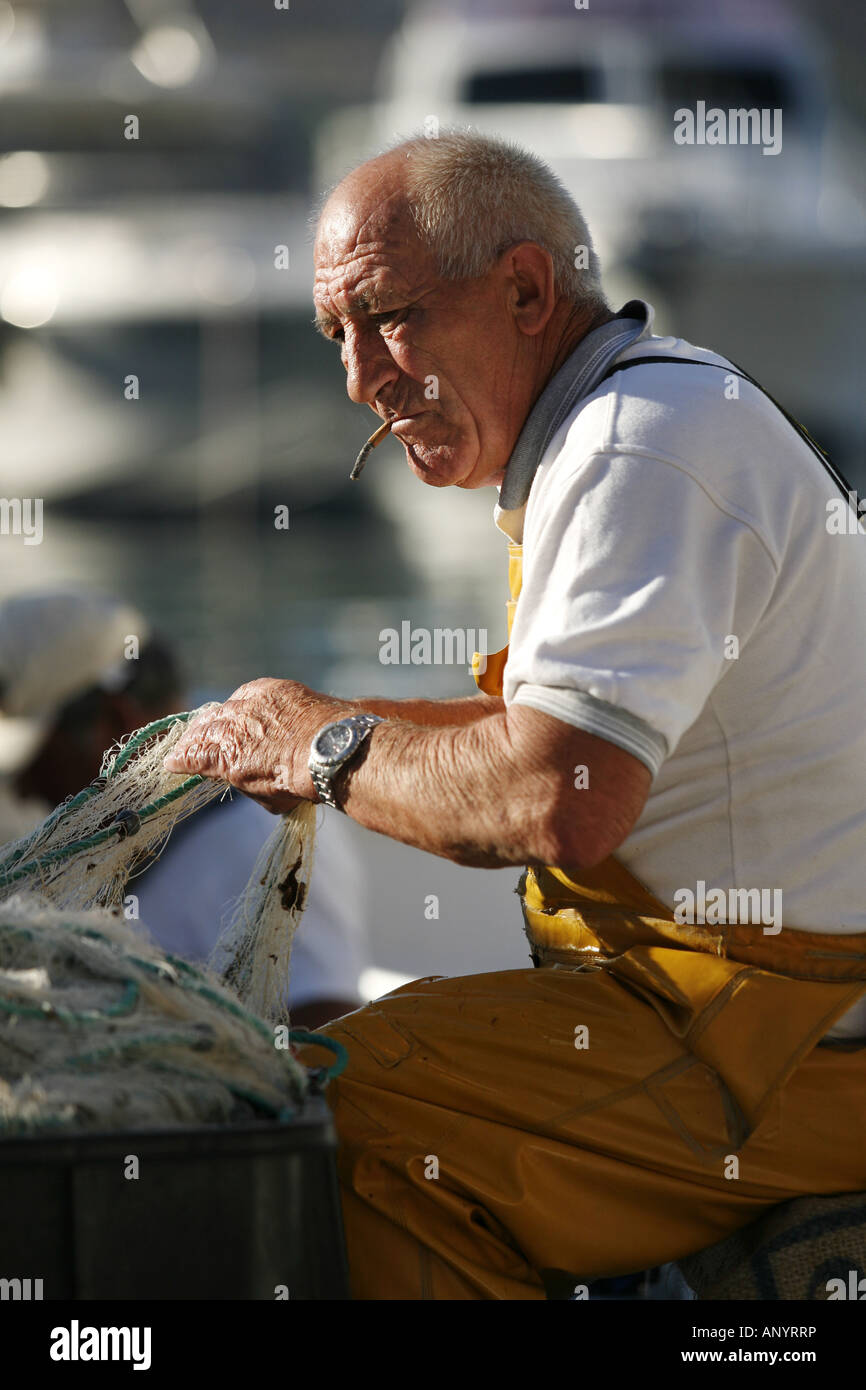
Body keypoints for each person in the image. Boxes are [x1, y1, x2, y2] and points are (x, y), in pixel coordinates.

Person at [163, 130, 866, 1300]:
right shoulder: (622, 428)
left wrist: (315, 741)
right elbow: (537, 733)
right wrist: (281, 725)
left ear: (527, 291)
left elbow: (560, 794)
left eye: (384, 315)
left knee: (342, 1110)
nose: (358, 379)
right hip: (713, 1014)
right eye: (336, 336)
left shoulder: (639, 449)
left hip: (775, 1052)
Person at [0, 589, 369, 1028]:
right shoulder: (147, 831)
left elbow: (326, 1029)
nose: (22, 786)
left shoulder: (253, 835)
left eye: (40, 759)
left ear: (116, 721)